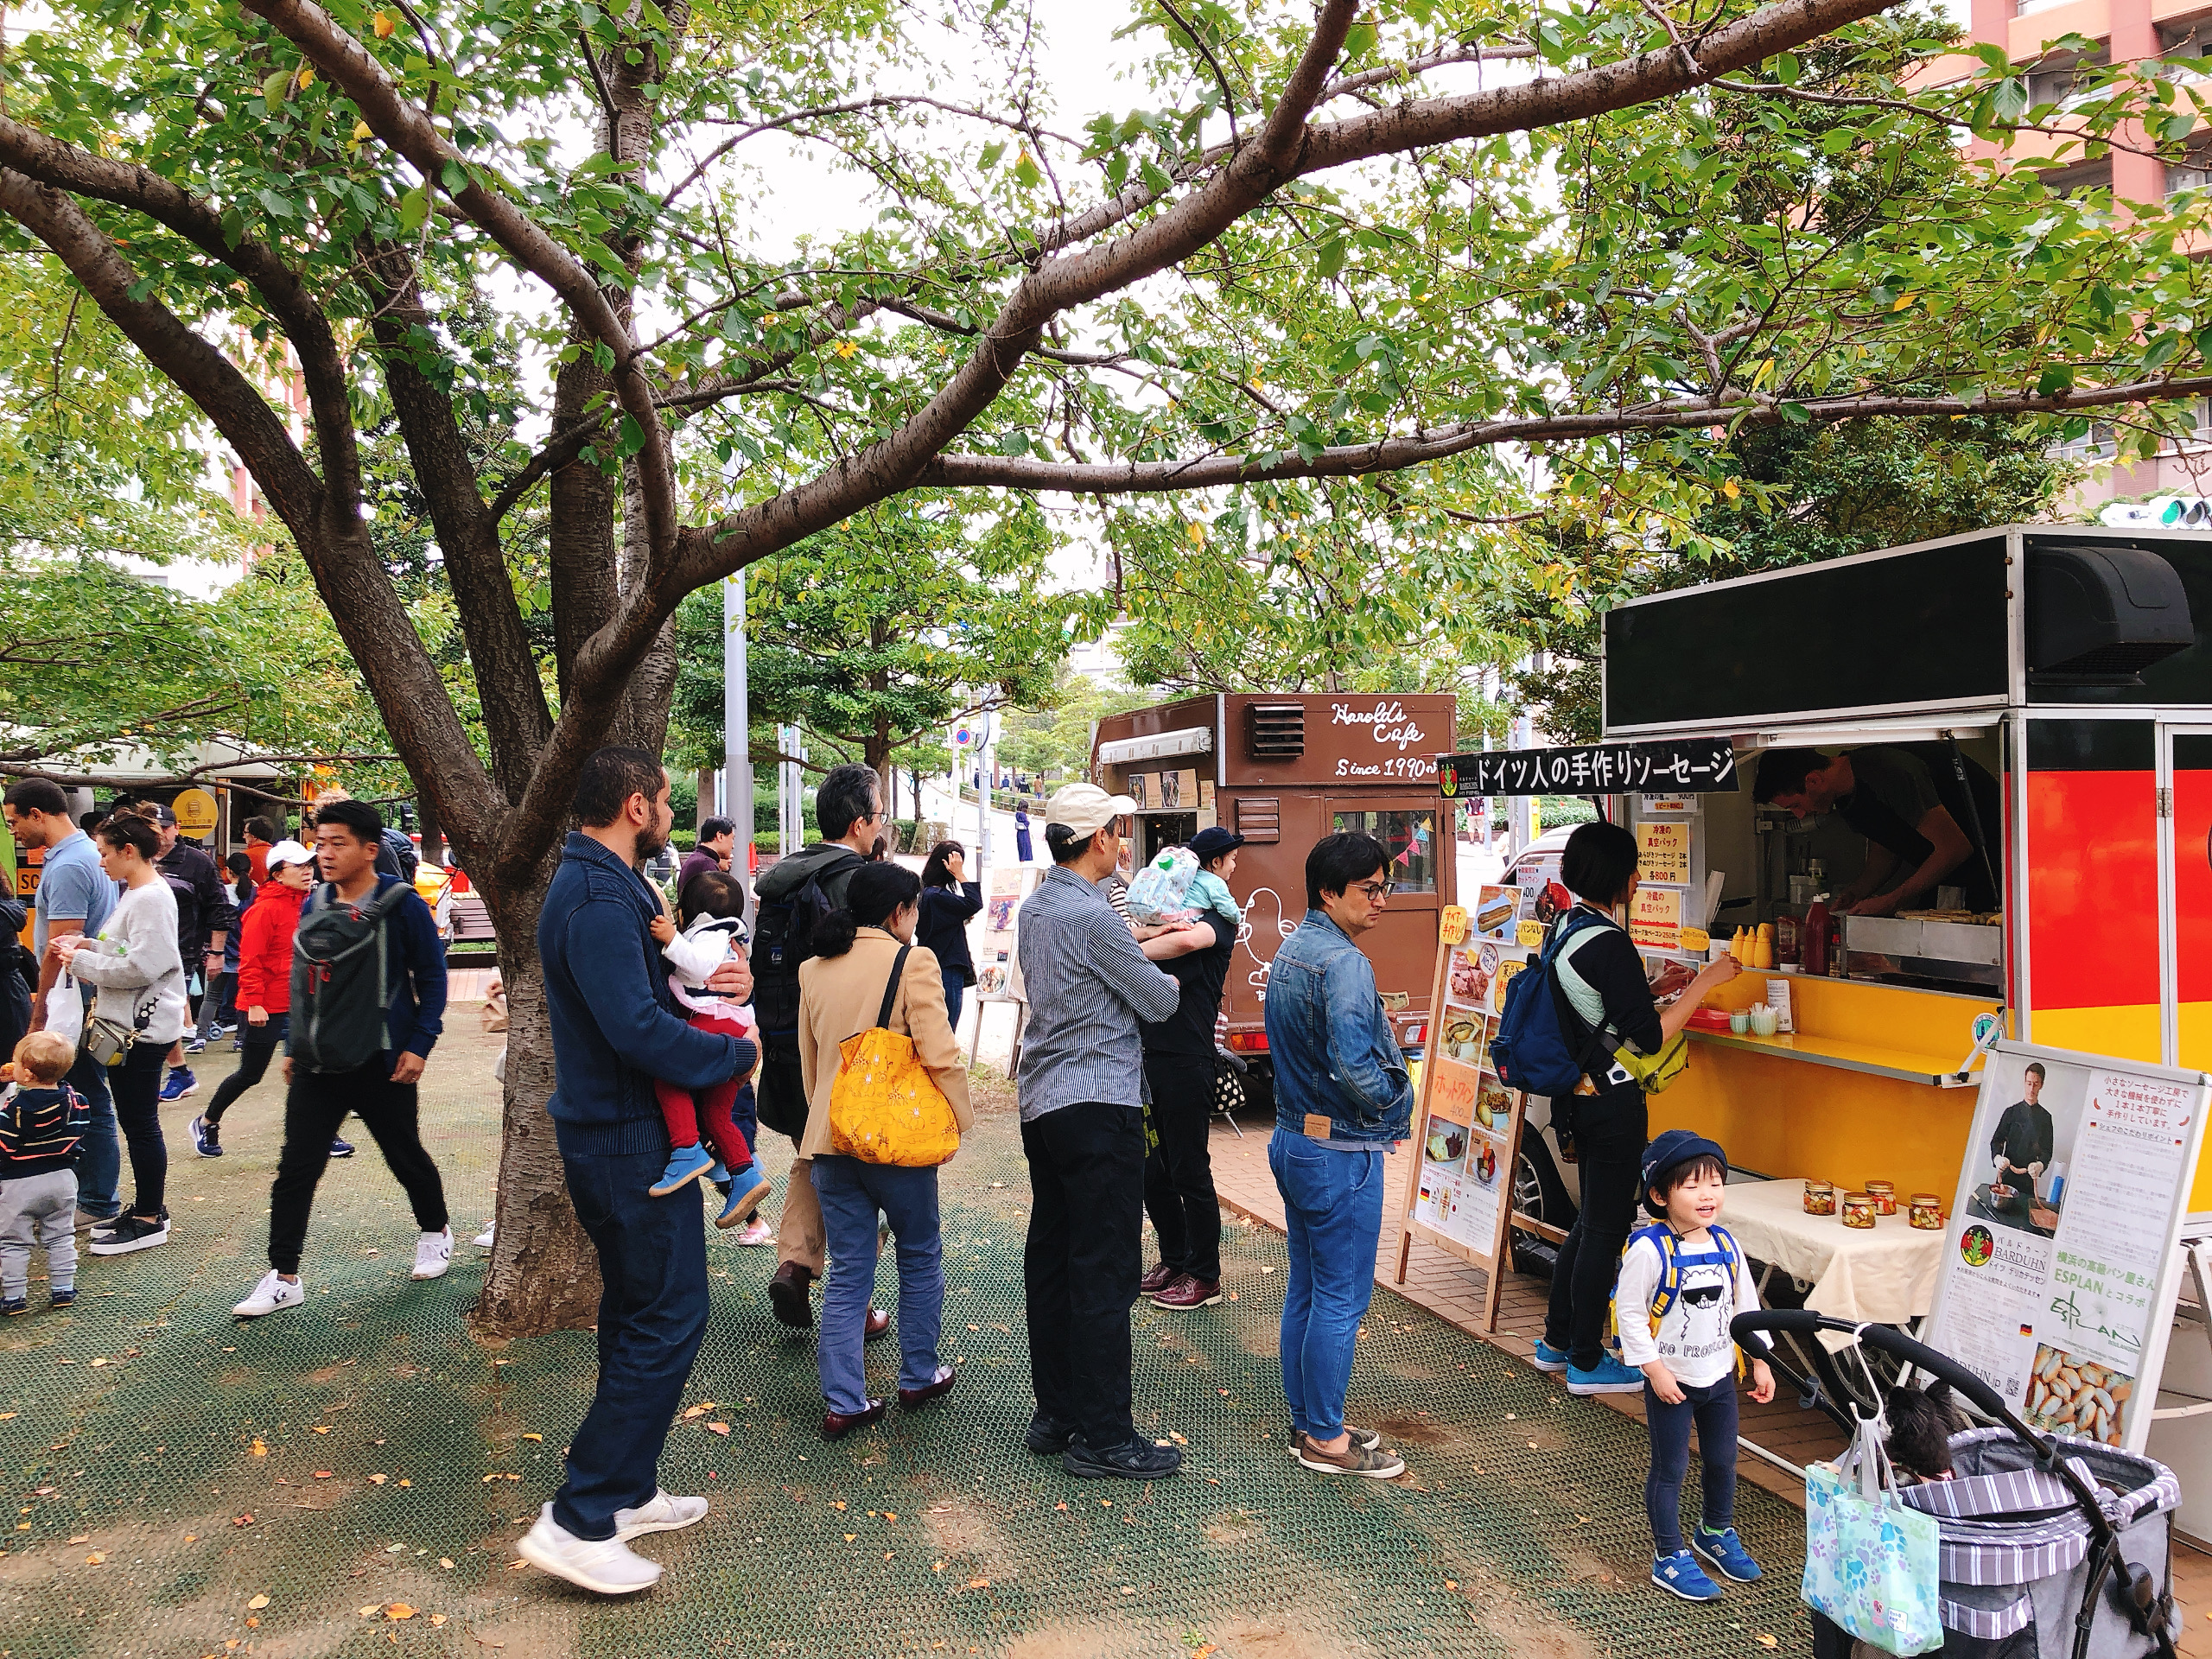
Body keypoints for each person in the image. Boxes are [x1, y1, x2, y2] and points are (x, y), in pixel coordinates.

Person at [516, 748, 753, 1596]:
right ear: (635, 806)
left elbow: (655, 1001)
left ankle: (626, 1490)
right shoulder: (595, 896)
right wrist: (735, 1053)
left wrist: (720, 980)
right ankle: (579, 1518)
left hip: (626, 1134)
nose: (670, 816)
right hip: (624, 1141)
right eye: (663, 801)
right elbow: (637, 1031)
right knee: (669, 1315)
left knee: (637, 1311)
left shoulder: (615, 887)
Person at [1530, 822, 1740, 1395]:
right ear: (1617, 876)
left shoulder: (1567, 927)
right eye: (1634, 868)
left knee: (1590, 1223)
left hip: (1578, 1096)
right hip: (1612, 1102)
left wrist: (1652, 988)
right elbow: (1649, 1038)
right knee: (1605, 1229)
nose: (1640, 878)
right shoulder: (1610, 941)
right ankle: (1585, 1359)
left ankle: (1557, 1340)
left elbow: (1598, 1006)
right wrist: (1705, 981)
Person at [1014, 783, 1184, 1479]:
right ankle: (1106, 1436)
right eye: (1119, 830)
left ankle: (1056, 1414)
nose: (1124, 841)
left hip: (1044, 1101)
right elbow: (1159, 999)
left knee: (1055, 1259)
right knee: (1105, 1268)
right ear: (1100, 838)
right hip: (1100, 1101)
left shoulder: (1036, 907)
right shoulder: (1093, 916)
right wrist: (1169, 964)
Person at [229, 800, 451, 1317]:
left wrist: (420, 1044)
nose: (324, 855)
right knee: (296, 1167)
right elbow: (305, 979)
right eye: (320, 844)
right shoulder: (316, 901)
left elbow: (432, 977)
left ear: (370, 850)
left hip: (383, 1057)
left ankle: (435, 1230)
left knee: (403, 1154)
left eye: (337, 844)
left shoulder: (402, 904)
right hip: (318, 1060)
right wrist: (294, 1045)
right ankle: (284, 1275)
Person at [797, 862, 975, 1437]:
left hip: (832, 1139)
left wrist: (832, 1122)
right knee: (919, 1253)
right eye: (915, 909)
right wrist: (960, 1118)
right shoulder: (912, 961)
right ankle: (918, 1374)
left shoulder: (813, 969)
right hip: (894, 1143)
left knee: (849, 1271)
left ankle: (844, 1401)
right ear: (900, 911)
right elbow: (939, 1053)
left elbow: (811, 1066)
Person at [1258, 832, 1413, 1478]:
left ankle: (1311, 1419)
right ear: (1328, 892)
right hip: (1339, 1149)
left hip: (1296, 1140)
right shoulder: (1344, 962)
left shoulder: (1294, 948)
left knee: (1309, 1288)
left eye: (1385, 887)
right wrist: (1395, 1101)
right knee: (1341, 1298)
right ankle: (1325, 1436)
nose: (1381, 900)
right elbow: (1355, 1066)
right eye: (1369, 889)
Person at [1616, 1130, 1776, 1601]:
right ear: (1659, 1196)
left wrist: (1761, 1360)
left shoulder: (1727, 1244)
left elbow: (1747, 1308)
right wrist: (1654, 1370)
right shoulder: (1649, 1250)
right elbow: (1629, 1314)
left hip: (1720, 1377)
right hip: (1673, 1381)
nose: (1707, 1195)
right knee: (1671, 1468)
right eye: (1692, 1186)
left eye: (1715, 1184)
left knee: (1723, 1459)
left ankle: (1715, 1531)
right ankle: (1668, 1555)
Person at [753, 763, 882, 1333]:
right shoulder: (856, 882)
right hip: (846, 1053)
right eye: (880, 816)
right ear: (859, 823)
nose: (882, 826)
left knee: (814, 1156)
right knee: (861, 1174)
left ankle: (796, 1265)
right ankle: (854, 1308)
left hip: (788, 1048)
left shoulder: (786, 875)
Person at [56, 811, 187, 1258]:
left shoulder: (148, 896)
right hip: (131, 1025)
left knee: (140, 1124)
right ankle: (147, 1210)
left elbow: (143, 965)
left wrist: (81, 961)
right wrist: (89, 947)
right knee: (137, 1122)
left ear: (128, 851)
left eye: (105, 852)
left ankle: (149, 1216)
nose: (101, 861)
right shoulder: (140, 892)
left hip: (138, 1030)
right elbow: (131, 951)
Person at [1135, 825, 1245, 1313]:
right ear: (1214, 864)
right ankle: (1174, 1258)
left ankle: (1204, 1275)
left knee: (1189, 1171)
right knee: (1152, 1170)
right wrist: (1148, 933)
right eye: (1231, 860)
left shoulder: (1218, 920)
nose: (1234, 868)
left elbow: (1182, 945)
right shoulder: (1169, 916)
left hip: (1188, 1058)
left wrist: (1127, 947)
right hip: (1149, 1055)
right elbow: (1133, 934)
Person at [4, 777, 119, 1230]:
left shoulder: (70, 864)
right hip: (83, 991)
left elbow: (61, 945)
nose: (13, 831)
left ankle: (97, 1199)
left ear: (37, 814)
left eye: (14, 821)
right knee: (87, 1092)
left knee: (84, 1093)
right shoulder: (84, 854)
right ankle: (92, 1194)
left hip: (72, 996)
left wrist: (40, 1010)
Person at [646, 873, 768, 1224]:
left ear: (689, 912)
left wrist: (672, 939)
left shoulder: (711, 934)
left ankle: (686, 1148)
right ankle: (744, 1174)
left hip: (715, 1022)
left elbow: (699, 966)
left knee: (669, 1074)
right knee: (717, 1113)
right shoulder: (726, 935)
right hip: (731, 1025)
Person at [1752, 744, 1999, 915]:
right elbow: (1886, 846)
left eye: (1795, 805)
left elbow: (1954, 848)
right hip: (1949, 879)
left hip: (1996, 871)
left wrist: (1892, 900)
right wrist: (1859, 891)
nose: (1799, 815)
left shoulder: (1888, 771)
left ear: (1813, 780)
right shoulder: (1845, 797)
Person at [190, 840, 313, 1158]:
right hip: (265, 1006)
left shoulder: (309, 905)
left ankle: (320, 1132)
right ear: (277, 873)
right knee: (251, 1074)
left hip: (300, 1002)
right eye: (299, 866)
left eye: (309, 865)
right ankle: (207, 1122)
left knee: (310, 1068)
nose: (307, 871)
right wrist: (255, 1002)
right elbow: (250, 960)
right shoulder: (264, 909)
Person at [144, 803, 233, 1106]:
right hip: (140, 948)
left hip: (181, 951)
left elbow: (219, 908)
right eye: (151, 829)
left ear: (176, 828)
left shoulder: (196, 861)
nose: (158, 835)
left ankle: (179, 1072)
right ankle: (172, 1070)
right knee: (150, 1014)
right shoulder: (136, 856)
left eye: (164, 828)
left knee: (164, 1012)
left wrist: (217, 952)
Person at [0, 1030, 87, 1313]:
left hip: (19, 1183)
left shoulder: (14, 1110)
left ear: (26, 1074)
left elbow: (5, 1146)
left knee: (13, 1242)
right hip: (62, 1179)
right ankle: (63, 1289)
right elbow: (81, 1128)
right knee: (61, 1236)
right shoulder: (76, 1101)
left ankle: (14, 1296)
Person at [188, 851, 254, 1052]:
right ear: (251, 870)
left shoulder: (221, 894)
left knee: (212, 997)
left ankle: (200, 1039)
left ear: (227, 871)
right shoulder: (257, 895)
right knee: (245, 997)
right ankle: (241, 1040)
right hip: (247, 954)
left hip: (221, 953)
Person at [915, 841, 982, 1029]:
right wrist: (960, 875)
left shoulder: (927, 893)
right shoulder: (936, 896)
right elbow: (974, 903)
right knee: (946, 1028)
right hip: (948, 965)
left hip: (934, 963)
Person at [1990, 1060, 2056, 1201]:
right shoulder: (2011, 1112)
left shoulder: (2046, 1118)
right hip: (2006, 1176)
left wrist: (2040, 1165)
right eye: (2029, 1083)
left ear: (2041, 1085)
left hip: (2028, 1180)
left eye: (2035, 1084)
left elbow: (2047, 1151)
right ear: (2024, 1082)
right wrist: (1998, 1158)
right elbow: (1997, 1141)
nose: (2031, 1089)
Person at [680, 817, 736, 902]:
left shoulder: (697, 860)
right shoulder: (706, 865)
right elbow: (716, 904)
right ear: (720, 836)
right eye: (732, 839)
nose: (733, 846)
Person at [243, 815, 280, 885]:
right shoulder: (278, 855)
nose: (243, 836)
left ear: (254, 836)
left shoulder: (244, 856)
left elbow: (227, 878)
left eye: (245, 832)